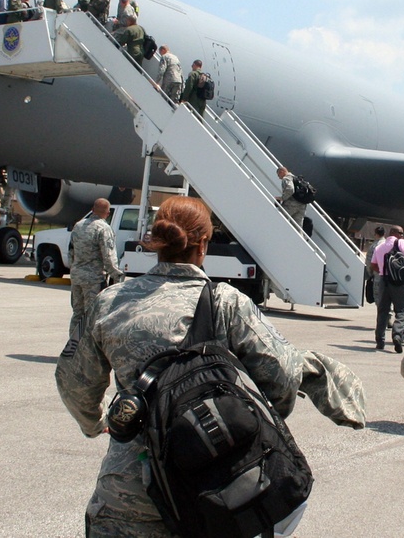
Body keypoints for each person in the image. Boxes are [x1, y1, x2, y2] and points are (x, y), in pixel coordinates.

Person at [55, 196, 366, 536]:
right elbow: (282, 378)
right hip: (209, 495)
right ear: (203, 244)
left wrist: (97, 423)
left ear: (158, 243)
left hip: (125, 499)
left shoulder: (110, 301)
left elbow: (73, 383)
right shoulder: (227, 303)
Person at [66, 198, 123, 345]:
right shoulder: (103, 229)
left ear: (92, 209)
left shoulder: (78, 226)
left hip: (77, 277)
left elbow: (71, 252)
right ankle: (88, 350)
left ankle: (73, 347)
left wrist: (74, 269)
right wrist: (117, 276)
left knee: (77, 314)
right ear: (108, 213)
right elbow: (108, 257)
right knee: (92, 315)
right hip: (93, 279)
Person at [370, 226, 404, 352]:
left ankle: (380, 340)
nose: (402, 235)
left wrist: (384, 272)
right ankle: (397, 335)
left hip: (384, 281)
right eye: (401, 233)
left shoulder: (379, 247)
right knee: (401, 310)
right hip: (399, 282)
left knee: (382, 311)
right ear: (394, 233)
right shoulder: (400, 242)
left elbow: (373, 265)